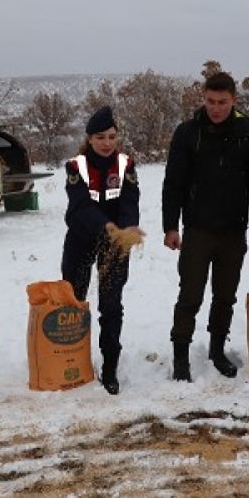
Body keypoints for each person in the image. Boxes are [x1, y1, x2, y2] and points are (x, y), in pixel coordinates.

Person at [161, 72, 249, 382]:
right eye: (210, 101)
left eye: (222, 102)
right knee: (190, 296)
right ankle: (181, 354)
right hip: (197, 229)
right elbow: (174, 184)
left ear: (234, 100)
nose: (216, 108)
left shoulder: (247, 132)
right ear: (203, 98)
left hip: (233, 230)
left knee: (225, 296)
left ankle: (217, 349)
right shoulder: (187, 133)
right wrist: (171, 225)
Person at [62, 106, 141, 395]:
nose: (107, 143)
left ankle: (110, 367)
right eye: (100, 137)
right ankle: (71, 360)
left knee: (111, 304)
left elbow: (130, 198)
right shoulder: (76, 167)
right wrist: (106, 225)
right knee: (74, 301)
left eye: (112, 137)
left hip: (116, 241)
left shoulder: (125, 165)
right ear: (90, 139)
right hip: (83, 237)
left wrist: (129, 226)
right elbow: (81, 205)